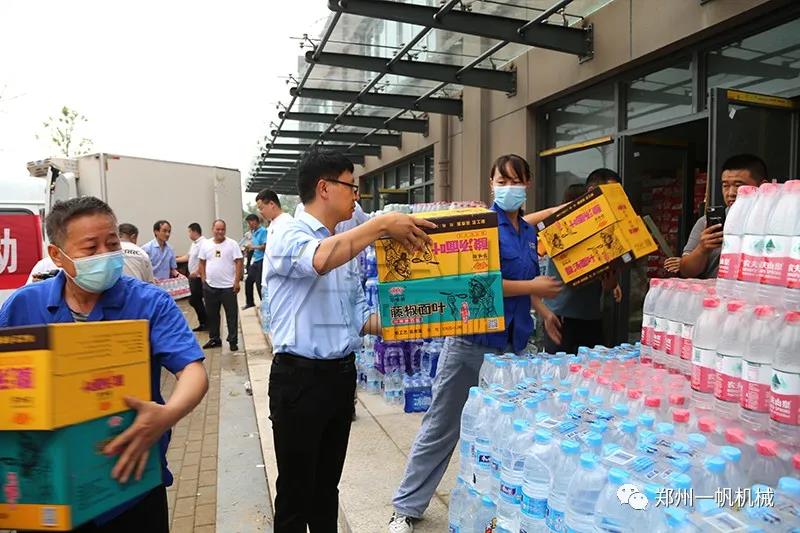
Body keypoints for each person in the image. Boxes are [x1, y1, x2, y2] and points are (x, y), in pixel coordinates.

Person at [0, 197, 208, 532]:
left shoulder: (149, 302)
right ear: (57, 255)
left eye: (112, 244)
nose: (105, 255)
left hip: (131, 487)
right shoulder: (24, 306)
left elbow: (192, 371)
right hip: (45, 493)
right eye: (91, 248)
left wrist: (168, 414)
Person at [388, 154, 562, 532]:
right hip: (471, 344)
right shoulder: (479, 226)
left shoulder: (528, 233)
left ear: (528, 184)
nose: (509, 187)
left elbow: (527, 281)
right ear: (491, 184)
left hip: (513, 349)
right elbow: (476, 285)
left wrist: (544, 311)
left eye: (516, 181)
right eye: (502, 181)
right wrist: (532, 286)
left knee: (505, 434)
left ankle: (499, 507)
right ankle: (405, 508)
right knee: (441, 427)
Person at [266, 148, 435, 532]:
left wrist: (421, 320)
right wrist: (379, 226)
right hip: (299, 381)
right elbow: (318, 260)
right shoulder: (286, 232)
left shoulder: (344, 240)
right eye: (350, 186)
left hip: (339, 377)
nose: (356, 196)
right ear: (324, 188)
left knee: (327, 489)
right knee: (295, 493)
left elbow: (359, 316)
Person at [538, 168, 624, 355]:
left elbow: (608, 284)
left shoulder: (610, 229)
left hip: (591, 317)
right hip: (561, 316)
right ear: (592, 191)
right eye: (610, 193)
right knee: (558, 370)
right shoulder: (566, 223)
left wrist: (611, 281)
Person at [679, 153, 767, 279]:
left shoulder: (774, 223)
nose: (730, 193)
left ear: (763, 186)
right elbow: (686, 272)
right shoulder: (706, 223)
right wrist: (702, 249)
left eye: (738, 185)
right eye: (725, 186)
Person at [198, 219, 243, 352]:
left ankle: (233, 340)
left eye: (222, 229)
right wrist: (203, 279)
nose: (220, 232)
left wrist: (237, 281)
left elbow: (239, 262)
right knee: (212, 314)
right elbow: (202, 262)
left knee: (231, 315)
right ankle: (215, 339)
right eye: (217, 229)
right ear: (213, 229)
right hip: (210, 286)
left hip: (228, 287)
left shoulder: (232, 244)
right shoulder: (206, 244)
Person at [255, 189, 293, 338]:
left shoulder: (287, 223)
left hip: (280, 285)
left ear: (272, 204)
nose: (260, 212)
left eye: (261, 207)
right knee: (273, 329)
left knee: (281, 327)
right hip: (268, 284)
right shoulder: (272, 224)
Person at [176, 223, 207, 331]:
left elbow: (205, 260)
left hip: (199, 277)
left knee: (194, 300)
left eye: (189, 232)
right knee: (195, 300)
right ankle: (204, 322)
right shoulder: (194, 244)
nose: (188, 234)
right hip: (193, 277)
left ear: (194, 231)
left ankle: (205, 322)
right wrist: (173, 260)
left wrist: (198, 271)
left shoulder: (204, 243)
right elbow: (188, 257)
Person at [242, 214, 267, 310]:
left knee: (259, 283)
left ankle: (264, 304)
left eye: (250, 223)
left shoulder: (263, 231)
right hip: (255, 260)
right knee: (248, 281)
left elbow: (265, 246)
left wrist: (253, 247)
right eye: (248, 223)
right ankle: (250, 302)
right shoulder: (253, 232)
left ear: (255, 222)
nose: (249, 225)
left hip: (262, 260)